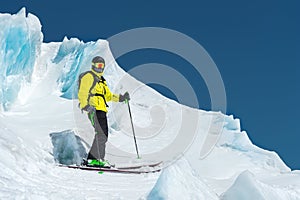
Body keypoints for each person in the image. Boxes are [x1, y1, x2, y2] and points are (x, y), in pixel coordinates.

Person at [78, 56, 130, 167]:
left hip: (102, 110)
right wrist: (85, 106)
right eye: (98, 65)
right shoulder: (89, 76)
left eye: (102, 66)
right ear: (93, 65)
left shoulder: (102, 81)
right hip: (93, 109)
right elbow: (83, 92)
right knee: (101, 134)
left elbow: (108, 96)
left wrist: (121, 98)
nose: (100, 68)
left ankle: (95, 159)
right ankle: (94, 159)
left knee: (103, 135)